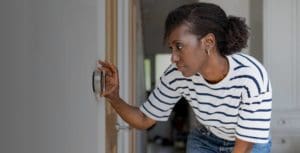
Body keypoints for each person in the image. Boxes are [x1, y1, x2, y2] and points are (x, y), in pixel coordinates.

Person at [98, 2, 272, 153]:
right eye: (171, 48)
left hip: (249, 143)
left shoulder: (250, 77)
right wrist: (114, 97)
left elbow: (244, 146)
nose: (173, 57)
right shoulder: (176, 74)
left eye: (179, 46)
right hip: (206, 140)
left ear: (208, 42)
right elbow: (144, 119)